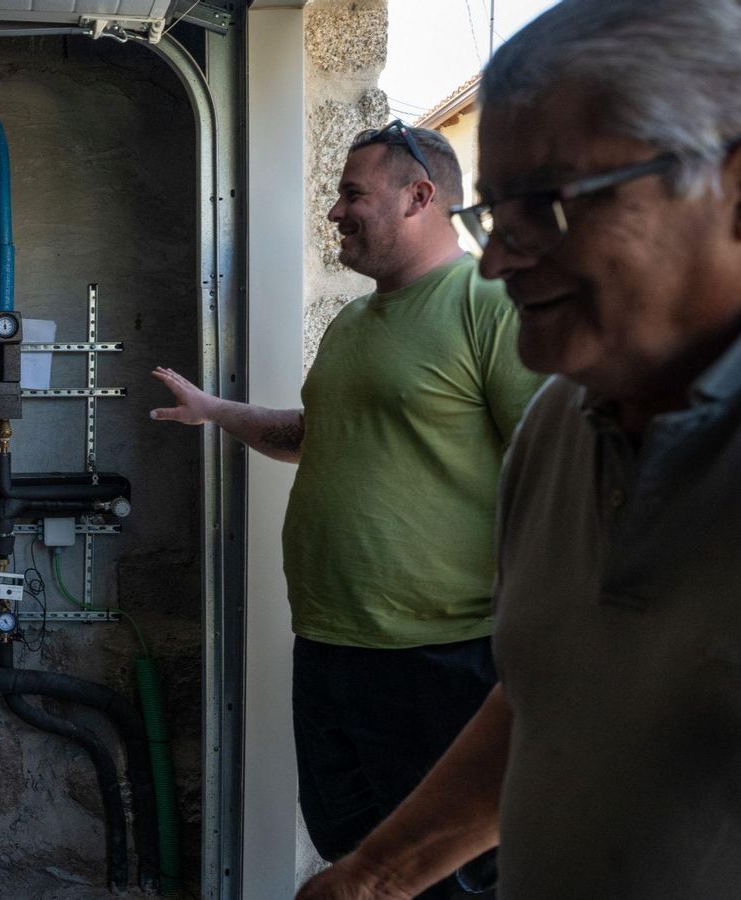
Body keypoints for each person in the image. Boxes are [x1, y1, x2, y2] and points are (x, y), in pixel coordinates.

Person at [296, 2, 741, 897]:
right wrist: (376, 877)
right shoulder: (564, 424)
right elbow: (549, 692)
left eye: (549, 204)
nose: (498, 261)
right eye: (497, 213)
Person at [153, 122, 543, 895]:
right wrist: (216, 411)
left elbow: (548, 466)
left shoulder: (488, 303)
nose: (334, 211)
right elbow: (314, 436)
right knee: (350, 850)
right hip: (330, 642)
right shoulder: (353, 323)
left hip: (440, 654)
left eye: (352, 194)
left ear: (419, 197)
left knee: (444, 875)